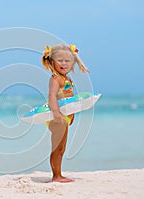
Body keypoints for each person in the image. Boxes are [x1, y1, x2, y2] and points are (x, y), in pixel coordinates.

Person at [41, 44, 89, 183]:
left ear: (72, 62)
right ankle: (56, 176)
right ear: (51, 62)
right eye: (60, 60)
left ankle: (58, 174)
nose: (64, 63)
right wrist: (56, 114)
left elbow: (68, 101)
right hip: (57, 118)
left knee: (62, 148)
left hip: (65, 118)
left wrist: (71, 115)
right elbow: (52, 97)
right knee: (57, 147)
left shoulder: (67, 79)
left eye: (67, 61)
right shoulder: (56, 79)